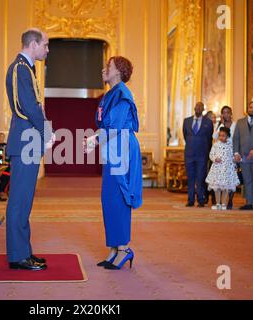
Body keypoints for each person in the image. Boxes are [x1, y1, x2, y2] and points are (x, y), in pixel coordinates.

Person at [5, 29, 54, 270]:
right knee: (19, 201)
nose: (47, 49)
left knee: (24, 201)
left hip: (28, 141)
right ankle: (17, 256)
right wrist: (47, 132)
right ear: (33, 44)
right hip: (25, 141)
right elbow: (28, 108)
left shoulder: (26, 70)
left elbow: (34, 106)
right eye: (45, 45)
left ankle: (24, 251)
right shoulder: (20, 69)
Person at [90, 56, 142, 270]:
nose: (103, 69)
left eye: (108, 67)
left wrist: (94, 140)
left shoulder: (122, 94)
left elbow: (117, 125)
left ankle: (124, 249)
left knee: (119, 198)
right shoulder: (110, 94)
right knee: (109, 198)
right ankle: (113, 248)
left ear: (118, 72)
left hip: (122, 149)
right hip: (112, 148)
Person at [183, 102, 214, 207]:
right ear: (194, 108)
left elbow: (209, 139)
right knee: (190, 177)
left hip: (202, 155)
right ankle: (190, 200)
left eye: (201, 107)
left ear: (203, 109)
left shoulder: (208, 123)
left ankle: (201, 199)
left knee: (201, 178)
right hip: (189, 154)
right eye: (197, 106)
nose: (198, 108)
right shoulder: (186, 121)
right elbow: (185, 136)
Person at [205, 127, 240, 210]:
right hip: (217, 168)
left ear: (227, 136)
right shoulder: (216, 145)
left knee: (225, 187)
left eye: (223, 136)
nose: (221, 137)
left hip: (227, 169)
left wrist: (234, 161)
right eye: (220, 135)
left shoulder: (230, 145)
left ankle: (223, 203)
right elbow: (211, 154)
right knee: (217, 187)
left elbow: (232, 156)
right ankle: (217, 203)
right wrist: (215, 158)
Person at [213, 106, 237, 209]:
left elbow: (238, 138)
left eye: (228, 112)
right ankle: (220, 202)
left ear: (231, 113)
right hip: (221, 154)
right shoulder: (220, 124)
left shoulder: (236, 125)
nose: (226, 114)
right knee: (220, 179)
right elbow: (214, 137)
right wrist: (219, 124)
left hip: (231, 153)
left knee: (229, 178)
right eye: (224, 113)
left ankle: (230, 200)